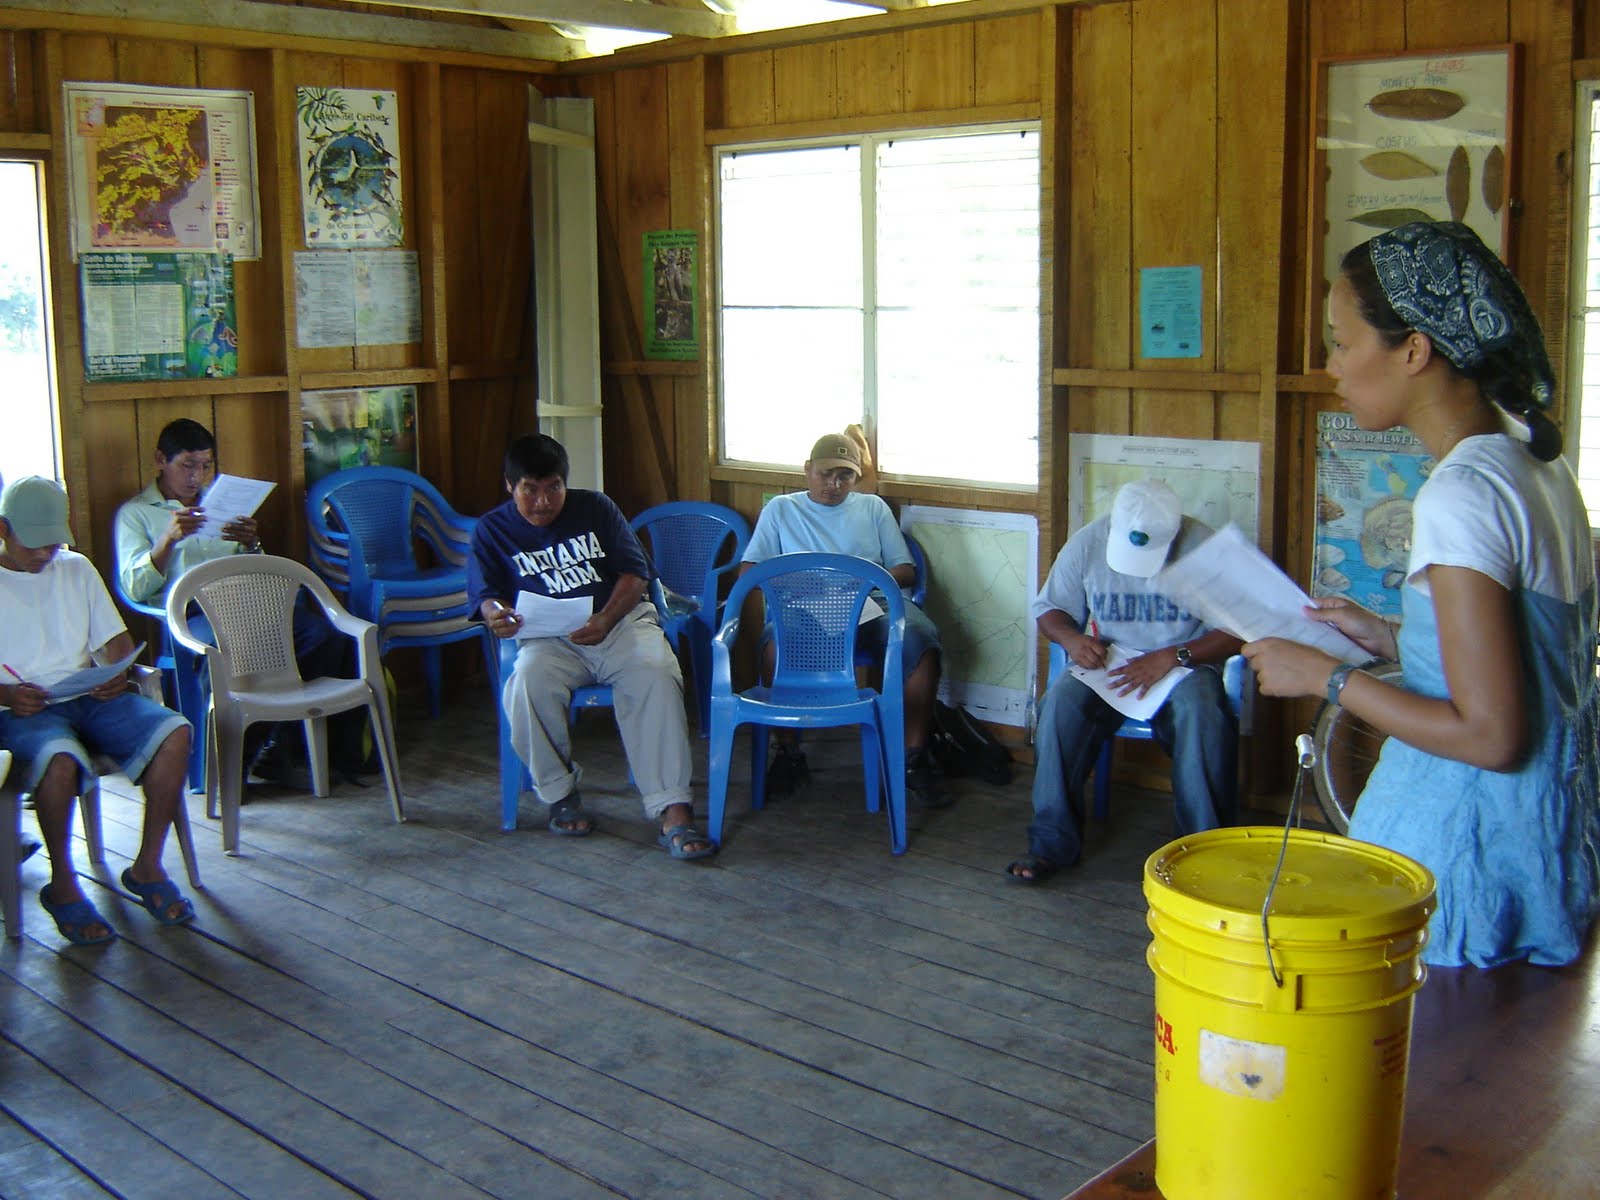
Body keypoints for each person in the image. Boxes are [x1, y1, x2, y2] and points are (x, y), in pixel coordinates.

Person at [1245, 221, 1599, 968]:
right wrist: (1388, 637)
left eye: (1342, 342)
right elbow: (1528, 660)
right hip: (1540, 846)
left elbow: (1491, 736)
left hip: (1460, 860)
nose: (1332, 368)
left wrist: (1325, 677)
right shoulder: (1535, 467)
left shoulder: (1461, 495)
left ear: (1413, 350)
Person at [469, 434, 713, 861]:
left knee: (656, 674)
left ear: (565, 483)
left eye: (554, 488)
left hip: (619, 624)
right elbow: (486, 595)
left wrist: (606, 619)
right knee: (525, 684)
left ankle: (673, 809)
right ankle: (560, 794)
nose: (543, 501)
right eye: (530, 489)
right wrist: (496, 614)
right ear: (510, 486)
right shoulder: (491, 530)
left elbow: (635, 575)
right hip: (548, 638)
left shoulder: (597, 508)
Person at [1007, 479, 1241, 882]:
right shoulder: (1087, 542)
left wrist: (1173, 656)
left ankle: (1201, 854)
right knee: (1059, 706)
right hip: (1111, 660)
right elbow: (1050, 610)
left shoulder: (1205, 548)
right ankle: (1049, 845)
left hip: (1184, 663)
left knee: (1204, 713)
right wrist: (1072, 639)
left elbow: (1238, 630)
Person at [0, 476, 195, 944]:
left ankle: (148, 866)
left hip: (88, 696)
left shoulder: (76, 568)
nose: (46, 553)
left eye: (53, 543)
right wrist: (6, 695)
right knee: (59, 759)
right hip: (24, 710)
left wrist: (115, 671)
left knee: (176, 732)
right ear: (3, 529)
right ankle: (64, 884)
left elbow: (116, 641)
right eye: (34, 544)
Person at [114, 417, 347, 782]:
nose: (196, 477)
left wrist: (252, 542)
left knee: (322, 636)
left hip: (247, 601)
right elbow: (134, 589)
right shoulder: (136, 513)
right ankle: (228, 763)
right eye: (187, 465)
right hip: (191, 612)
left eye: (205, 466)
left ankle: (273, 742)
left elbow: (256, 567)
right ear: (160, 460)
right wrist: (168, 541)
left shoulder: (221, 503)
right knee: (224, 654)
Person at [740, 432, 949, 808]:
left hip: (870, 601)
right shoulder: (782, 509)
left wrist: (862, 581)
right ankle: (788, 752)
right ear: (807, 470)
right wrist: (806, 583)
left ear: (856, 478)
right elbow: (749, 572)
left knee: (921, 640)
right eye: (825, 474)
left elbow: (905, 569)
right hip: (805, 606)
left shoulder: (872, 508)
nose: (834, 484)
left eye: (845, 476)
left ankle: (913, 759)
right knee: (775, 646)